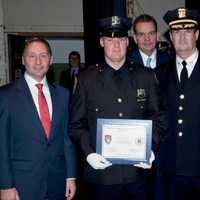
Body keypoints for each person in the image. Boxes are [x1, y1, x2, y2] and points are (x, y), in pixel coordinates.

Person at [69, 16, 167, 200]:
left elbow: (159, 117)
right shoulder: (86, 80)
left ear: (127, 42)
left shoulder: (145, 76)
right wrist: (88, 153)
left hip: (138, 176)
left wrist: (150, 149)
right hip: (101, 178)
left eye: (121, 39)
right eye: (110, 39)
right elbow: (76, 124)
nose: (116, 45)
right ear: (101, 42)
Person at [0, 37, 76, 200]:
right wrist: (5, 185)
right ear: (23, 60)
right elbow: (2, 144)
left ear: (51, 60)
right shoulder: (5, 96)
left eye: (43, 55)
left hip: (57, 181)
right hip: (22, 184)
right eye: (32, 56)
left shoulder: (63, 95)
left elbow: (66, 139)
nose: (38, 61)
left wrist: (70, 176)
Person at [156, 7, 200, 200]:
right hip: (170, 166)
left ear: (196, 34)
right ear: (171, 37)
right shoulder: (158, 74)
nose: (182, 37)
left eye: (187, 31)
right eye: (176, 32)